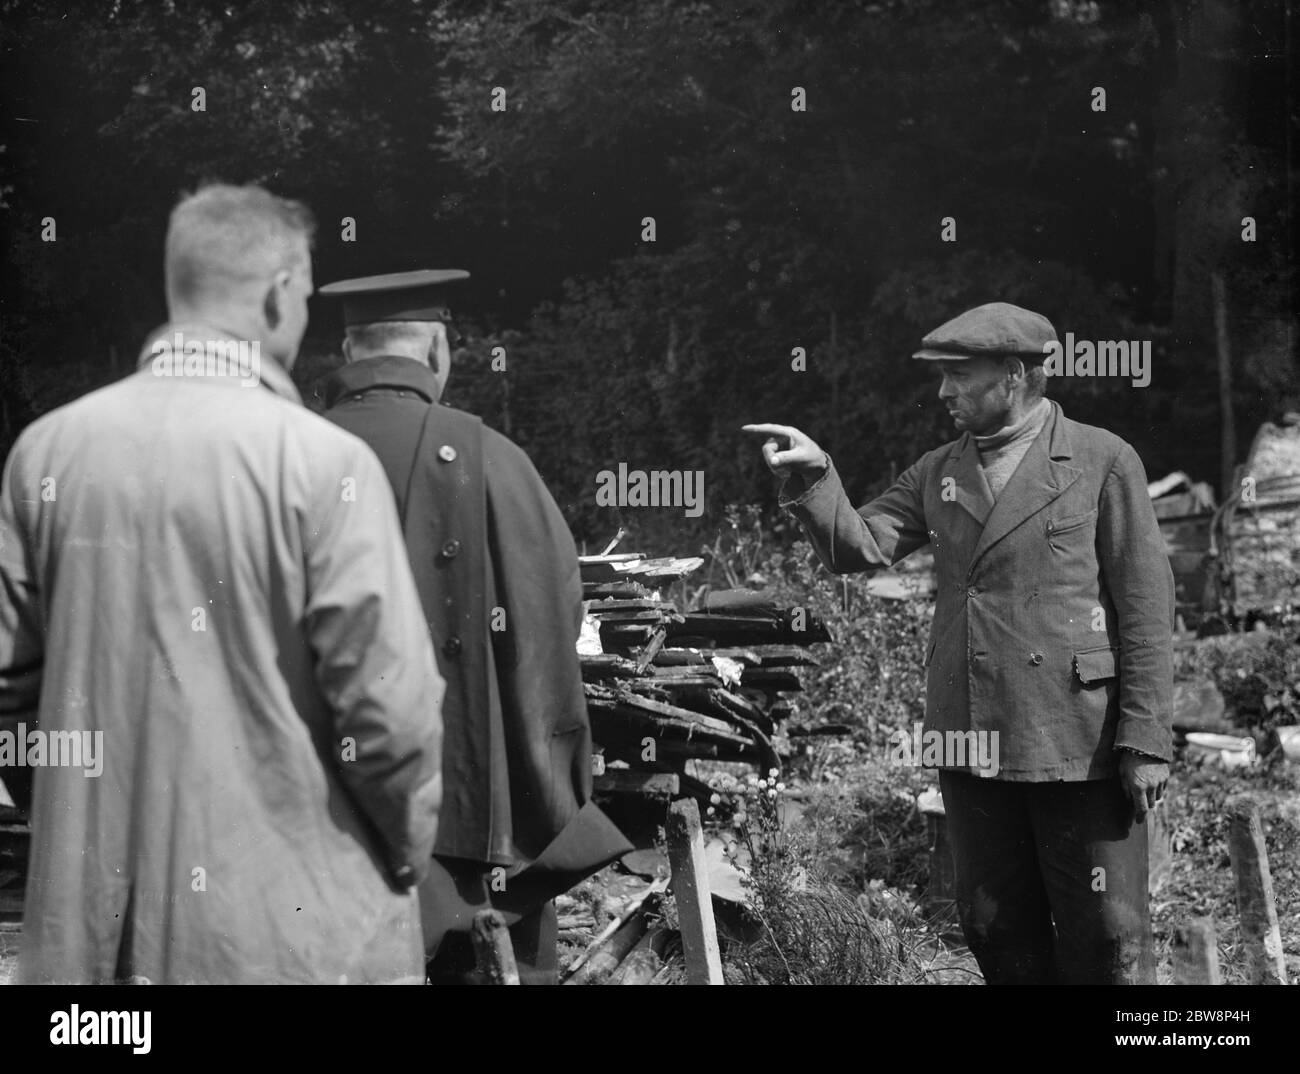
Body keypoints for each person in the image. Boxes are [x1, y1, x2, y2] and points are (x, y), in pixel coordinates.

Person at [0, 184, 445, 984]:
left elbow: (8, 689)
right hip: (294, 939)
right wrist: (406, 856)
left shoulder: (44, 455)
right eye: (306, 293)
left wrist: (85, 827)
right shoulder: (323, 466)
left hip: (94, 951)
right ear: (279, 295)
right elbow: (391, 711)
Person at [745, 302, 1173, 985]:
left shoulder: (1101, 460)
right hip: (971, 736)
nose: (943, 392)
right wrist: (817, 473)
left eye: (958, 377)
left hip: (1079, 738)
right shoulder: (937, 471)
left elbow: (1147, 608)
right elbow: (860, 547)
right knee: (993, 925)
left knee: (1108, 935)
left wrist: (1146, 740)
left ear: (1012, 375)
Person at [318, 269, 632, 985]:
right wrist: (551, 782)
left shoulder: (280, 456)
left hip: (315, 830)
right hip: (472, 826)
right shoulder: (493, 459)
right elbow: (553, 621)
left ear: (345, 348)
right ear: (437, 352)